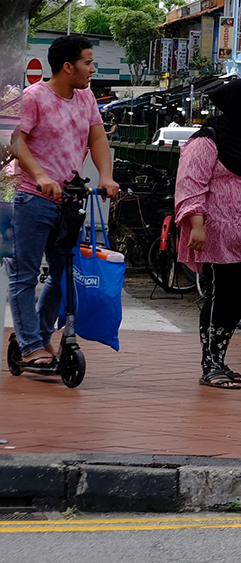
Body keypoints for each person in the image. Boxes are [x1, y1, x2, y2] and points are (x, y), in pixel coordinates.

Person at [7, 35, 120, 375]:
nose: (92, 68)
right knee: (24, 275)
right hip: (30, 196)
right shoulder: (34, 98)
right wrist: (41, 176)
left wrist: (105, 176)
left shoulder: (85, 97)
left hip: (69, 199)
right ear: (68, 66)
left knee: (64, 275)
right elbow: (15, 141)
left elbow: (97, 136)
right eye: (87, 62)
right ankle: (30, 345)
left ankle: (36, 338)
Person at [175, 79, 241, 389]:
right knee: (220, 298)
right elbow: (191, 185)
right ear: (238, 103)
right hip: (218, 237)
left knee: (235, 301)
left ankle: (219, 359)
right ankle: (210, 365)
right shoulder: (207, 140)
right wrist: (196, 225)